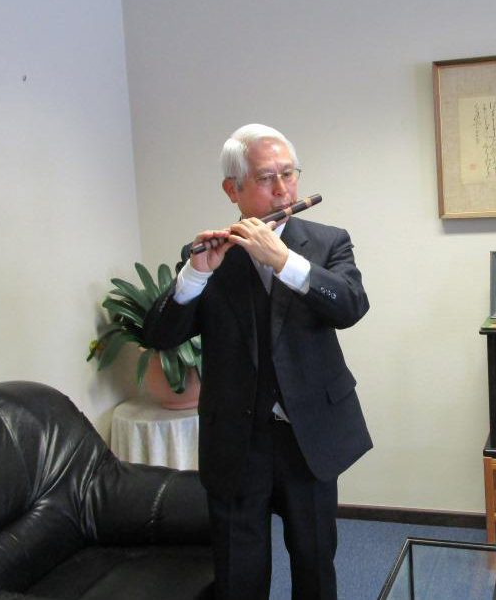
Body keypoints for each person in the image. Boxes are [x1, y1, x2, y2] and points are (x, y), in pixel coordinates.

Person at [144, 124, 372, 600]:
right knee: (239, 570)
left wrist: (286, 261)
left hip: (309, 433)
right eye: (267, 178)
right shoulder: (209, 254)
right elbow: (160, 335)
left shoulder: (329, 242)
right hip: (237, 438)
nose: (283, 188)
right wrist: (194, 276)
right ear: (233, 190)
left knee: (314, 562)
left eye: (289, 173)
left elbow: (351, 306)